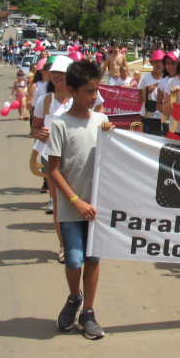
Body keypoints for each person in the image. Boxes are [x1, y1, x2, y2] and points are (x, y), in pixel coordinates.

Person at [46, 60, 115, 340]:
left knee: (93, 258)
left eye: (96, 90)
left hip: (96, 208)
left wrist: (113, 136)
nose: (94, 96)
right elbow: (52, 169)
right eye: (89, 91)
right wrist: (74, 200)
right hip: (72, 207)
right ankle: (74, 297)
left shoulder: (101, 121)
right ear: (71, 91)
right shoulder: (60, 124)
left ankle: (88, 311)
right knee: (73, 260)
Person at [31, 57, 75, 257]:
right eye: (54, 72)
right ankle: (64, 246)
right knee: (58, 202)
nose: (57, 76)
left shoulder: (79, 98)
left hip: (77, 157)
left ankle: (83, 243)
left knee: (80, 199)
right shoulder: (45, 100)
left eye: (62, 73)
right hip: (53, 158)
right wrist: (40, 134)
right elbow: (35, 128)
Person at [138, 50, 166, 137]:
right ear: (152, 63)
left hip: (162, 118)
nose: (159, 64)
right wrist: (146, 92)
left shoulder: (168, 80)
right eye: (156, 62)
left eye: (161, 62)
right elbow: (139, 99)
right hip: (147, 117)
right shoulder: (146, 78)